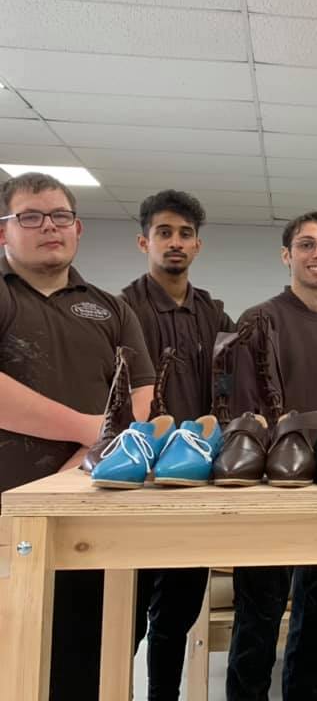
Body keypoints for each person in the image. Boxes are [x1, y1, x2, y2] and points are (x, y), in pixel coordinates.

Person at [0, 172, 154, 699]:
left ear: (78, 227)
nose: (49, 226)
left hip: (96, 513)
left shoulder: (111, 308)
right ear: (5, 233)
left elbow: (143, 391)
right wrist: (92, 435)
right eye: (30, 216)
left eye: (60, 216)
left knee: (93, 654)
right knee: (15, 659)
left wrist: (96, 453)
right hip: (10, 515)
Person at [225, 211, 317, 700]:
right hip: (274, 488)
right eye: (306, 245)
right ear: (287, 255)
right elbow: (244, 414)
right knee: (259, 615)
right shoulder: (258, 321)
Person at [119, 189, 234, 700]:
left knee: (177, 616)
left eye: (185, 234)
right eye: (164, 232)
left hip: (196, 484)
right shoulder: (121, 310)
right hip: (135, 486)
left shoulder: (214, 315)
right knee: (126, 619)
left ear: (197, 245)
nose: (175, 242)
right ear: (145, 240)